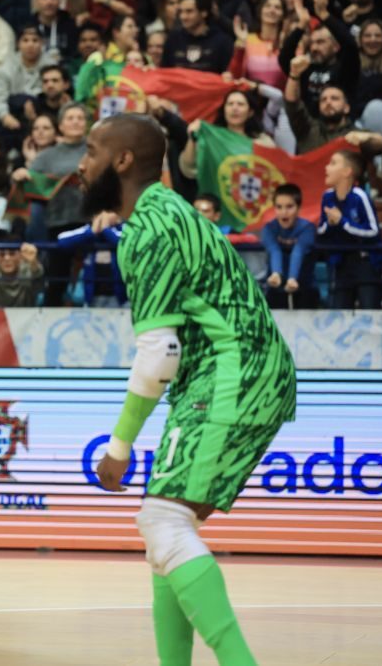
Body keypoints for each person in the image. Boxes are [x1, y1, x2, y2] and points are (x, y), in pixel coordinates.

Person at [83, 113, 296, 666]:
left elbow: (159, 356)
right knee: (166, 530)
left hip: (234, 371)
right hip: (242, 367)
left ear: (122, 161)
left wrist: (119, 448)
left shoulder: (149, 232)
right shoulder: (168, 212)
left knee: (160, 520)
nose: (80, 164)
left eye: (90, 151)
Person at [317, 149, 382, 309]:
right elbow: (320, 231)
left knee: (370, 313)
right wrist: (331, 224)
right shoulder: (327, 196)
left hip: (365, 263)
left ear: (347, 172)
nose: (326, 168)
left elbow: (373, 231)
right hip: (341, 264)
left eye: (333, 163)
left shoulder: (360, 196)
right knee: (339, 314)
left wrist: (343, 221)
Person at [278, 0, 359, 115]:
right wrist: (302, 24)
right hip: (310, 126)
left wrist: (324, 15)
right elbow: (284, 58)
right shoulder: (306, 68)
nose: (314, 47)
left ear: (336, 47)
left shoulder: (344, 67)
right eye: (312, 43)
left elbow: (350, 44)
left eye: (321, 42)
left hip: (338, 121)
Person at [285, 56, 382, 154]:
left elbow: (381, 144)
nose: (328, 102)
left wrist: (367, 139)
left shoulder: (355, 134)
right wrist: (294, 74)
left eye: (334, 98)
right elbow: (292, 104)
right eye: (323, 100)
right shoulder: (307, 129)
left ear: (346, 108)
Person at [261, 183, 318, 308]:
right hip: (276, 290)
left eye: (289, 207)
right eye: (279, 207)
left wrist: (292, 278)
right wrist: (276, 274)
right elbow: (274, 250)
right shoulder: (268, 228)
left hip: (305, 289)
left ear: (298, 208)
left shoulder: (307, 228)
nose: (284, 212)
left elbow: (298, 250)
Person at [0, 25, 52, 133]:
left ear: (42, 43)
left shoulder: (51, 65)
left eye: (35, 40)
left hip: (42, 112)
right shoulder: (7, 67)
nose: (30, 45)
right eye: (25, 40)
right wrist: (5, 117)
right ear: (18, 44)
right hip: (12, 113)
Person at [160, 0, 234, 73]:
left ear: (204, 12)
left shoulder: (222, 42)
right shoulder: (173, 39)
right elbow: (164, 73)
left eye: (189, 11)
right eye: (181, 12)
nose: (183, 17)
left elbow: (228, 76)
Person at [226, 0, 286, 90]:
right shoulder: (248, 39)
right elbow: (235, 77)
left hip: (279, 101)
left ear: (283, 14)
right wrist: (241, 46)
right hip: (252, 99)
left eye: (277, 7)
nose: (272, 10)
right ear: (260, 11)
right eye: (267, 6)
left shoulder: (288, 42)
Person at [32, 0, 79, 64]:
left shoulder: (70, 24)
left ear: (60, 0)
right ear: (36, 1)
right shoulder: (29, 25)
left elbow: (74, 54)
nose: (49, 2)